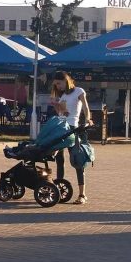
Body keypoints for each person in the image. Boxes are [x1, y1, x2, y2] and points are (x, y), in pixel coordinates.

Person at [50, 71, 93, 204]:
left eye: (59, 83)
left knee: (77, 159)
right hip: (61, 128)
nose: (58, 86)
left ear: (66, 80)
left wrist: (88, 119)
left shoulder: (79, 91)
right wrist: (56, 105)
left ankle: (82, 194)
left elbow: (85, 107)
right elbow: (62, 113)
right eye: (56, 85)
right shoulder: (62, 95)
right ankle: (59, 189)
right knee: (59, 160)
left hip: (73, 128)